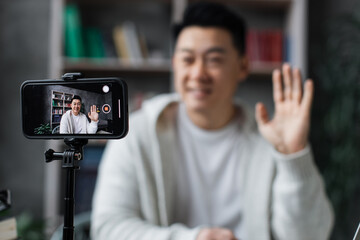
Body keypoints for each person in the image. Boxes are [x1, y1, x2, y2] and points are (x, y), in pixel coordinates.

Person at [91, 2, 334, 240]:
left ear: (243, 66)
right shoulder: (136, 133)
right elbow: (107, 228)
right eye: (187, 60)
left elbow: (310, 235)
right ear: (175, 64)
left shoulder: (270, 140)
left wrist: (292, 156)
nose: (198, 74)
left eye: (214, 60)